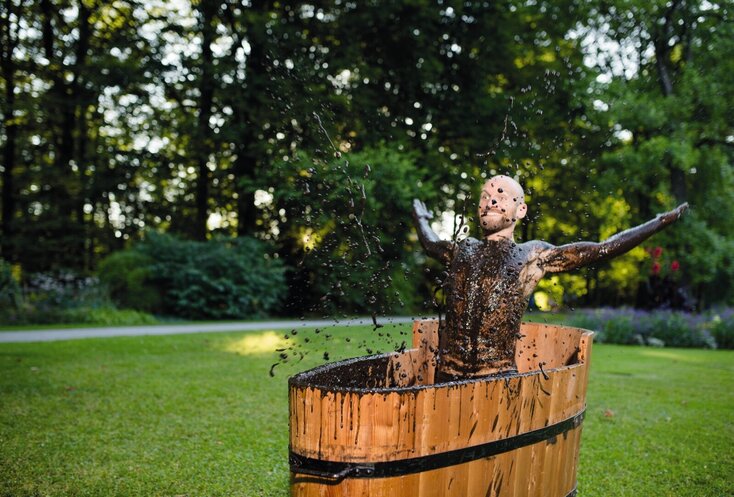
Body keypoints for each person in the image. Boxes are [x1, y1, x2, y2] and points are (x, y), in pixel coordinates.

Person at [413, 175, 688, 381]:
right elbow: (429, 242)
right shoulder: (461, 249)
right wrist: (422, 218)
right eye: (484, 196)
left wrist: (658, 222)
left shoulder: (533, 255)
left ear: (520, 210)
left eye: (501, 194)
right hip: (445, 378)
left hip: (495, 379)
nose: (491, 200)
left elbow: (601, 249)